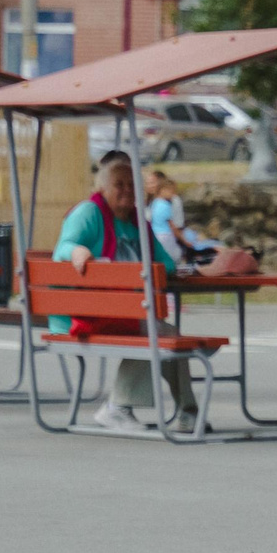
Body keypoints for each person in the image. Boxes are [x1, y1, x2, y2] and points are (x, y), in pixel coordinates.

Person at [55, 150, 196, 434]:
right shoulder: (89, 213)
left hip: (126, 312)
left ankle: (186, 412)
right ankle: (118, 409)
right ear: (102, 188)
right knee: (156, 332)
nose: (128, 190)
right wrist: (79, 251)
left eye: (132, 184)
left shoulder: (137, 223)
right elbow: (62, 249)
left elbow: (165, 264)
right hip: (84, 315)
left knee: (168, 335)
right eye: (120, 184)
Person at [144, 169, 221, 268]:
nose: (149, 185)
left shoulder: (160, 202)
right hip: (166, 236)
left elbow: (177, 226)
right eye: (148, 183)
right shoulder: (161, 204)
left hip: (163, 235)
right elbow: (173, 227)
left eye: (152, 183)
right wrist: (184, 241)